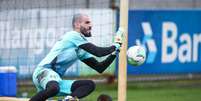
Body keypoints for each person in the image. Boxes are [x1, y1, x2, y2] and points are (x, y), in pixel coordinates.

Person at [30, 13, 124, 101]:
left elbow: (100, 67)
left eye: (90, 22)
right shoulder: (73, 36)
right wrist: (115, 46)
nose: (90, 25)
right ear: (77, 24)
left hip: (55, 79)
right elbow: (98, 52)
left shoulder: (81, 48)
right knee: (54, 88)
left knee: (89, 85)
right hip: (43, 71)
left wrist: (114, 53)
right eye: (87, 22)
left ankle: (69, 99)